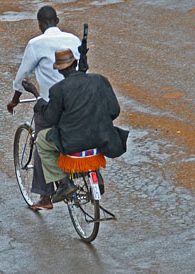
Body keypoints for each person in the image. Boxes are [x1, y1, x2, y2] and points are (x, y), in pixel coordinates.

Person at [22, 49, 129, 203]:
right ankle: (95, 173)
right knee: (90, 134)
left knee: (41, 141)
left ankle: (64, 183)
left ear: (59, 70)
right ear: (76, 63)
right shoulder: (100, 80)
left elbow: (51, 118)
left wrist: (36, 95)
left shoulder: (58, 89)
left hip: (73, 144)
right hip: (102, 138)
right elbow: (114, 111)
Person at [7, 5, 81, 210]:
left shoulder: (36, 44)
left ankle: (46, 196)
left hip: (50, 105)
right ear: (57, 21)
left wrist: (15, 100)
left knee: (42, 141)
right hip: (78, 103)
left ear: (40, 24)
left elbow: (22, 77)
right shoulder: (74, 40)